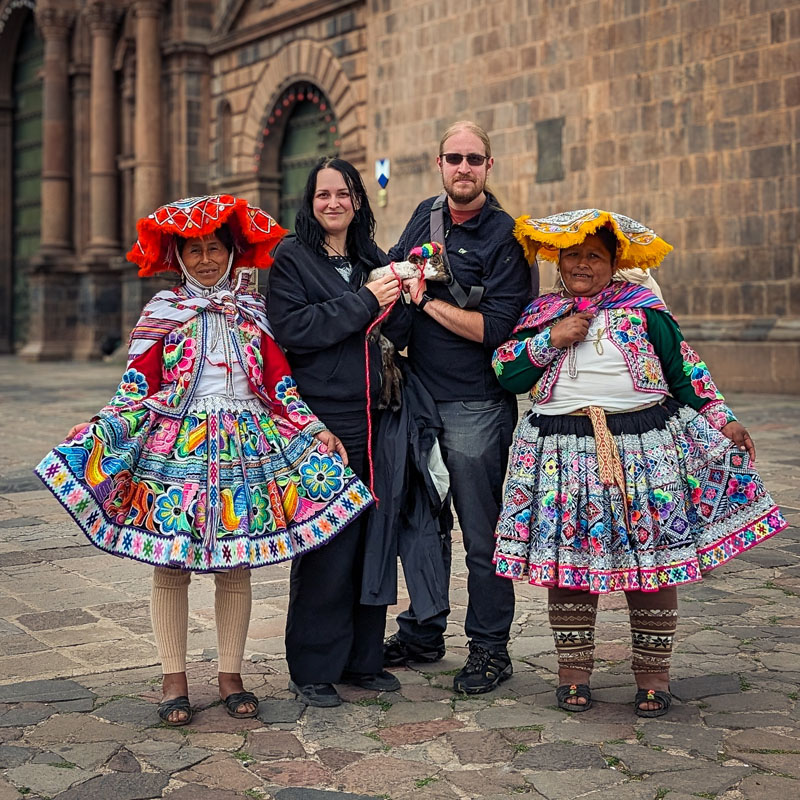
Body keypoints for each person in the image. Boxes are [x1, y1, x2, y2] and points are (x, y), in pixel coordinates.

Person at [35, 195, 373, 725]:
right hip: (177, 445)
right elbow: (136, 384)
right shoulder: (163, 313)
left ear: (233, 252)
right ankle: (174, 677)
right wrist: (101, 424)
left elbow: (279, 384)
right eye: (194, 251)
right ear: (178, 256)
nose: (206, 260)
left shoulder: (255, 314)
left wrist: (314, 427)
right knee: (171, 561)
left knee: (235, 563)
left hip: (245, 446)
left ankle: (231, 674)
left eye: (214, 248)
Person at [492, 209, 787, 716]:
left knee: (652, 566)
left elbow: (686, 371)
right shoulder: (542, 313)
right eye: (574, 255)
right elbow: (506, 372)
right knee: (569, 565)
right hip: (560, 453)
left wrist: (725, 420)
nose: (582, 264)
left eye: (595, 256)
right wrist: (552, 340)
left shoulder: (643, 310)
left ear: (613, 264)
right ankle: (572, 676)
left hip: (642, 451)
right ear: (559, 260)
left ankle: (653, 676)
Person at [383, 121, 533, 694]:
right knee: (421, 524)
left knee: (481, 534)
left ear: (488, 167)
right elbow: (396, 269)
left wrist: (426, 303)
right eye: (454, 158)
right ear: (438, 163)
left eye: (474, 159)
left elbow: (497, 329)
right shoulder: (425, 213)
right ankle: (423, 631)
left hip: (478, 405)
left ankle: (490, 649)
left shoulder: (508, 237)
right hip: (418, 397)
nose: (463, 168)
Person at [267, 158, 407, 707]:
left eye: (343, 193)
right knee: (327, 544)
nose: (333, 203)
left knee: (373, 540)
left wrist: (402, 294)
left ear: (357, 200)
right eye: (323, 194)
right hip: (323, 420)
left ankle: (361, 660)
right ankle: (314, 667)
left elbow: (395, 328)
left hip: (378, 414)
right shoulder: (292, 259)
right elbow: (296, 330)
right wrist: (368, 300)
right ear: (310, 200)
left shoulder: (373, 257)